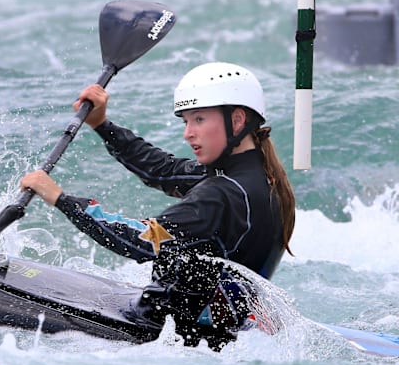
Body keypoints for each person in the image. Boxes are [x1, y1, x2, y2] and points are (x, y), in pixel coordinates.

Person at [20, 62, 295, 350]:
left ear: (237, 121)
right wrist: (102, 125)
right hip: (227, 332)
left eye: (199, 119)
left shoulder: (220, 194)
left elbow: (139, 239)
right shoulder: (260, 177)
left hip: (168, 335)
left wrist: (61, 200)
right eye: (185, 121)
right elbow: (163, 170)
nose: (188, 133)